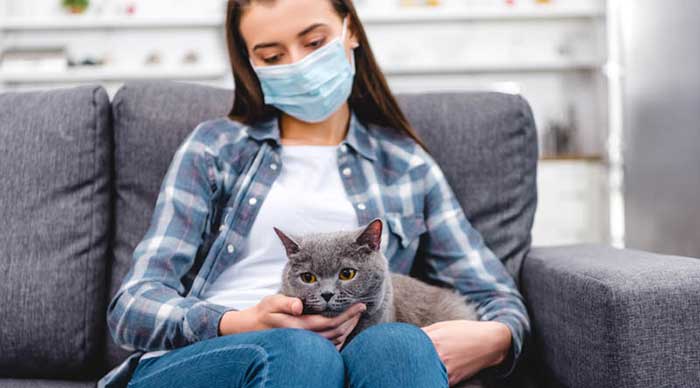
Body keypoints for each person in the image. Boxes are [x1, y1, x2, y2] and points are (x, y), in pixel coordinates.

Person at [98, 0, 530, 387]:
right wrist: (238, 322)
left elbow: (493, 293)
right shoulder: (215, 149)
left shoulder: (405, 165)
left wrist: (497, 338)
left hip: (355, 358)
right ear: (251, 63)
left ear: (350, 30)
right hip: (218, 359)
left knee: (397, 344)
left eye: (314, 42)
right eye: (272, 56)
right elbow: (133, 306)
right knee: (303, 350)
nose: (298, 64)